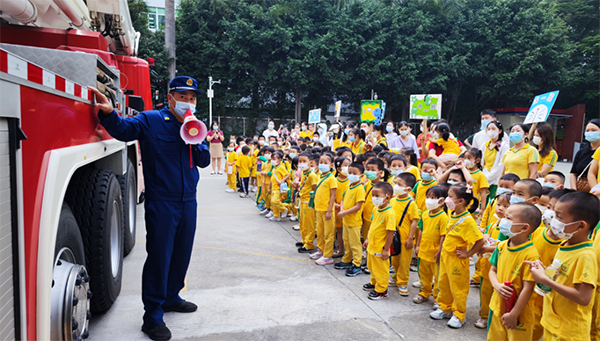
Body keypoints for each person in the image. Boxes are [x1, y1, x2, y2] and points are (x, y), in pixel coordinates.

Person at [90, 76, 211, 341]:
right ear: (170, 98)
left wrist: (196, 135)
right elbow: (123, 130)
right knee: (159, 257)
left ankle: (171, 297)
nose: (187, 103)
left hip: (189, 200)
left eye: (192, 98)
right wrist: (109, 114)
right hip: (162, 201)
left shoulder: (195, 126)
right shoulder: (151, 120)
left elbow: (203, 161)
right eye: (183, 97)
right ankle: (153, 316)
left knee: (181, 254)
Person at [526, 192, 600, 341]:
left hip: (569, 333)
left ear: (580, 225)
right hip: (553, 323)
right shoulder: (565, 243)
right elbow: (564, 277)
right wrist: (545, 270)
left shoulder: (585, 256)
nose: (554, 219)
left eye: (559, 216)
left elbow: (583, 297)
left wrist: (546, 281)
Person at [430, 184, 484, 329]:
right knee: (444, 283)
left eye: (450, 196)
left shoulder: (467, 220)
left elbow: (480, 240)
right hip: (446, 257)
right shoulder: (452, 213)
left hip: (457, 260)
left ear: (460, 201)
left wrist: (468, 254)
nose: (447, 199)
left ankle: (459, 314)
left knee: (458, 287)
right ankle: (445, 308)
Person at [487, 203, 541, 340]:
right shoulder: (502, 246)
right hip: (498, 307)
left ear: (524, 227)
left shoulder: (530, 255)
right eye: (504, 217)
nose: (503, 220)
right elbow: (492, 271)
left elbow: (528, 289)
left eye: (509, 218)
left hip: (519, 314)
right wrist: (496, 285)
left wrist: (514, 314)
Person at [474, 192, 511, 329]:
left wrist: (485, 248)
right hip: (486, 266)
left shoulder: (509, 229)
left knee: (498, 296)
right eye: (499, 205)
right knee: (485, 293)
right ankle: (484, 316)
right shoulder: (493, 224)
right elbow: (486, 237)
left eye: (506, 206)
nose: (500, 208)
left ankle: (497, 318)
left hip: (500, 269)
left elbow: (504, 247)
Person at [413, 186, 448, 306]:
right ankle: (424, 292)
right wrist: (417, 246)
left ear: (442, 201)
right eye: (428, 197)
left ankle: (438, 298)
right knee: (424, 274)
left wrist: (439, 251)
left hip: (435, 253)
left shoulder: (443, 217)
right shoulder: (425, 214)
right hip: (424, 250)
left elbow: (443, 235)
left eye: (432, 197)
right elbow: (421, 231)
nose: (429, 200)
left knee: (438, 277)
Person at [362, 182, 397, 300]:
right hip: (372, 245)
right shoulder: (376, 209)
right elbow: (373, 225)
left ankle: (381, 290)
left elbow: (390, 232)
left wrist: (386, 250)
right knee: (371, 266)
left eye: (377, 195)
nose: (374, 198)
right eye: (373, 195)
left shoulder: (389, 213)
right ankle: (374, 282)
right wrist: (367, 239)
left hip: (380, 247)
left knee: (380, 269)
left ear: (387, 197)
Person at [390, 173, 419, 296]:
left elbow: (414, 222)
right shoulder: (392, 200)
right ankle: (396, 276)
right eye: (395, 183)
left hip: (406, 237)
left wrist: (410, 238)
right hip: (394, 237)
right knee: (395, 259)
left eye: (399, 184)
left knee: (405, 261)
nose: (395, 186)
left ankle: (403, 282)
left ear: (408, 189)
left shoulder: (411, 203)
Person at [335, 162, 366, 276]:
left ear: (361, 175)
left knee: (355, 243)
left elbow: (358, 206)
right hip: (346, 220)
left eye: (354, 173)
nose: (351, 175)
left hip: (354, 221)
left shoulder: (359, 189)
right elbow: (343, 199)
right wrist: (342, 210)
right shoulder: (349, 186)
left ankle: (357, 264)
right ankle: (347, 260)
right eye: (349, 173)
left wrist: (344, 213)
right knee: (347, 242)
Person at [310, 154, 338, 265]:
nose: (322, 164)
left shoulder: (331, 179)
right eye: (321, 162)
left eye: (325, 163)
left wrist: (329, 211)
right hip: (319, 208)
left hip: (327, 210)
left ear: (331, 165)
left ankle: (328, 255)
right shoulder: (320, 176)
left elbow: (332, 196)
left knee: (328, 234)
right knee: (320, 232)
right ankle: (321, 250)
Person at [296, 152, 318, 253]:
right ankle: (304, 240)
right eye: (300, 161)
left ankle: (309, 244)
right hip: (302, 200)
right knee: (302, 222)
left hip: (308, 202)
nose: (301, 163)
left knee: (309, 224)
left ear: (310, 162)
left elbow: (315, 189)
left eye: (304, 161)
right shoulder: (303, 173)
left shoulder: (312, 175)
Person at [482, 121, 509, 198]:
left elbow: (501, 165)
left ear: (499, 131)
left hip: (495, 179)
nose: (490, 131)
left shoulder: (504, 146)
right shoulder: (484, 145)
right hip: (484, 176)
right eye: (489, 129)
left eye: (493, 128)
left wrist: (488, 177)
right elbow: (482, 162)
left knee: (492, 200)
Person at [574, 119, 600, 191]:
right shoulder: (581, 152)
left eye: (593, 130)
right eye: (587, 130)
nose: (590, 133)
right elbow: (573, 173)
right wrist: (574, 190)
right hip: (582, 188)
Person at [333, 156, 350, 258]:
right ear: (339, 169)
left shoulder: (351, 181)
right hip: (337, 210)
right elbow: (331, 195)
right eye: (346, 166)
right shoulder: (335, 180)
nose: (348, 168)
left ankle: (348, 252)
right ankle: (340, 250)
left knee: (348, 233)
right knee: (339, 231)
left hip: (348, 210)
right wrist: (335, 204)